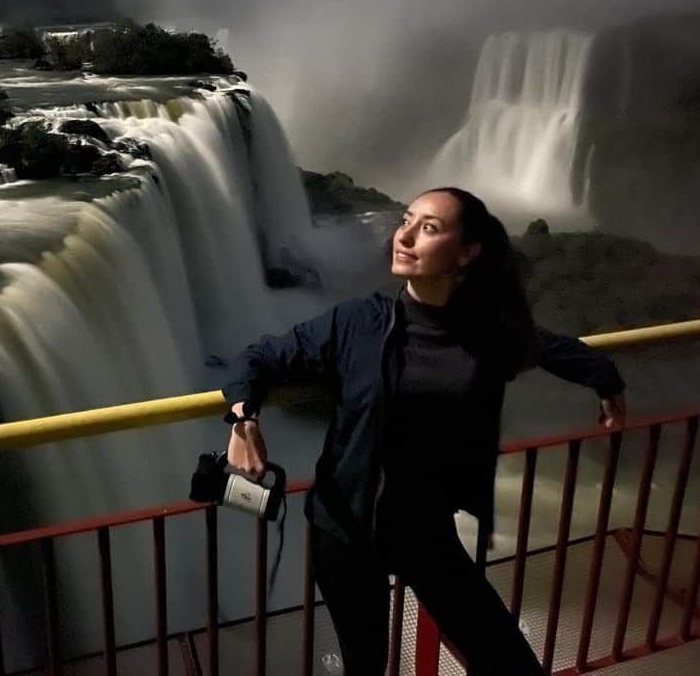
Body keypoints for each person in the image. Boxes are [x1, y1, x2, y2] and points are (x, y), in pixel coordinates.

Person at [220, 187, 626, 675]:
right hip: (346, 532)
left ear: (467, 252)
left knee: (508, 661)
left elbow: (553, 348)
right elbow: (260, 357)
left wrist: (605, 379)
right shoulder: (359, 323)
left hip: (426, 531)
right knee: (366, 665)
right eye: (406, 221)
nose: (405, 237)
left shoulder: (488, 331)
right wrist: (244, 419)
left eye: (428, 228)